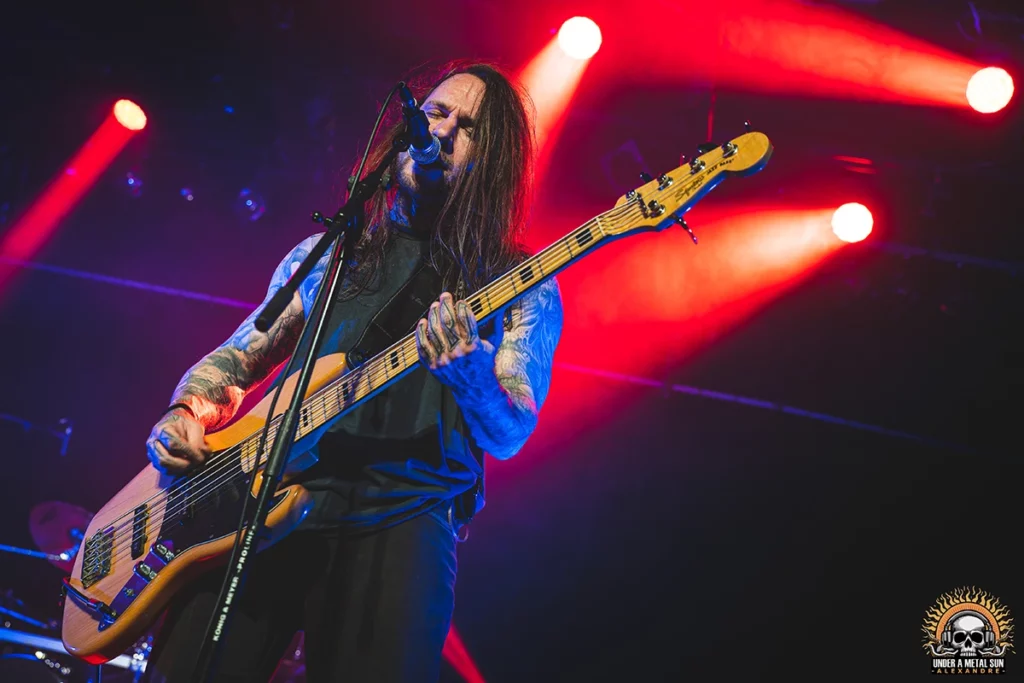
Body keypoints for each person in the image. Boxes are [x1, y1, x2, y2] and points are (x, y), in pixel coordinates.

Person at [140, 61, 563, 683]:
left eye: (467, 127)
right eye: (436, 112)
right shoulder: (335, 252)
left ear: (491, 162)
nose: (440, 132)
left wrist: (472, 375)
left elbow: (511, 431)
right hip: (266, 502)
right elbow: (238, 357)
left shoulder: (518, 282)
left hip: (404, 517)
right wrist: (185, 411)